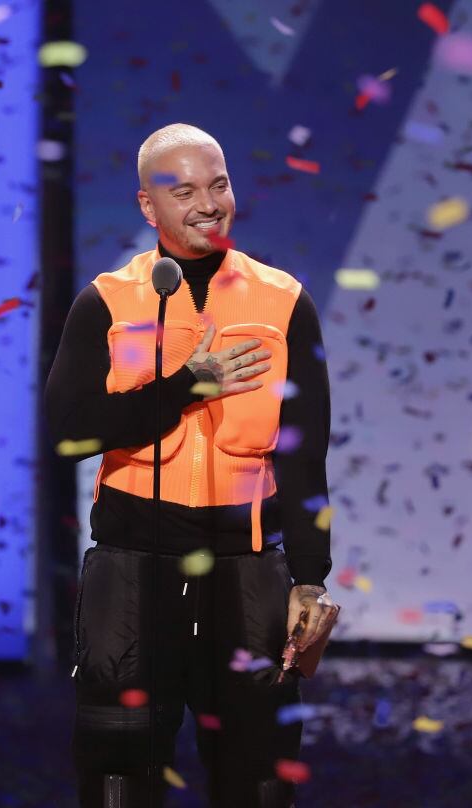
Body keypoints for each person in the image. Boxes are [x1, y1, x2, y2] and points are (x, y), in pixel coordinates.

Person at [45, 123, 340, 808]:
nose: (209, 204)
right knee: (119, 766)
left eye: (219, 185)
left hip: (246, 569)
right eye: (184, 192)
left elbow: (305, 454)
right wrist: (185, 386)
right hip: (132, 567)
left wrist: (310, 577)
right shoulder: (108, 302)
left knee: (260, 772)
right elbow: (68, 431)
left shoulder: (284, 301)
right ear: (148, 206)